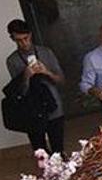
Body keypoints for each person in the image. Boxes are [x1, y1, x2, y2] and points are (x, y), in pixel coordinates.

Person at [5, 19, 65, 154]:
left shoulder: (46, 53)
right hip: (32, 111)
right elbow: (18, 93)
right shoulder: (12, 61)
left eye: (26, 38)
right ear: (13, 39)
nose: (24, 43)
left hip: (53, 106)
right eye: (19, 40)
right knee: (40, 152)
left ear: (30, 35)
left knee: (58, 150)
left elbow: (61, 80)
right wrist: (25, 76)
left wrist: (46, 72)